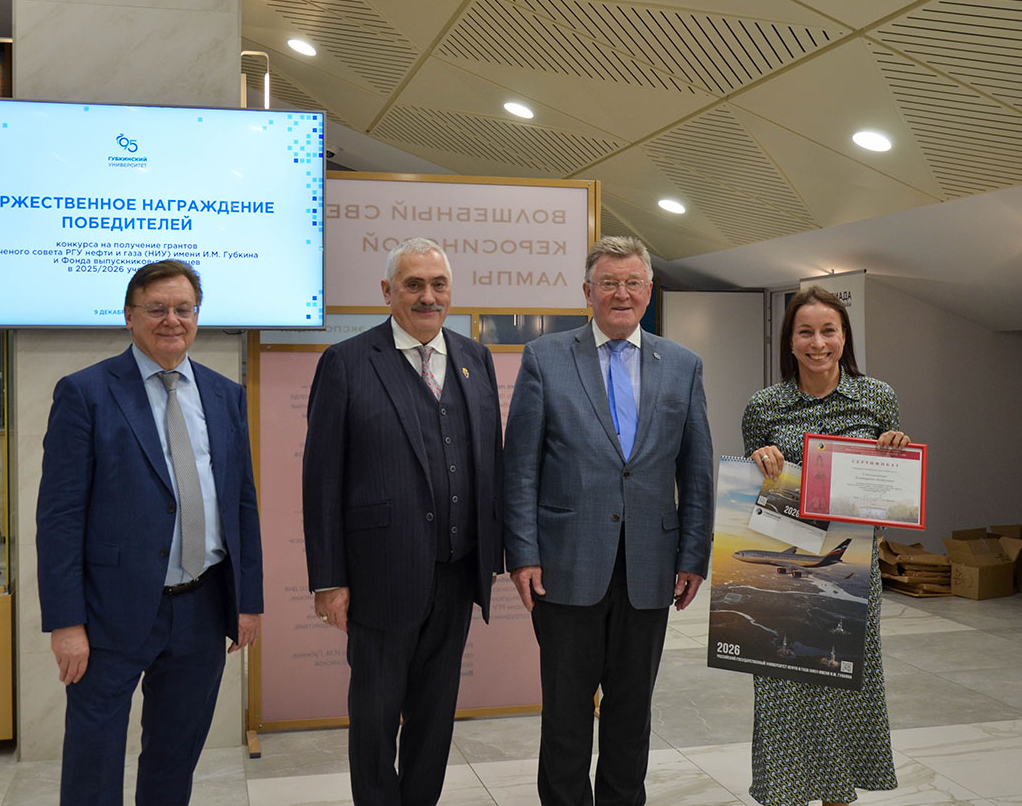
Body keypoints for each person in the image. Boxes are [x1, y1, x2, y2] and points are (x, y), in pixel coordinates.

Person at [37, 260, 262, 806]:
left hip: (202, 606)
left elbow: (241, 503)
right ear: (129, 316)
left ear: (197, 316)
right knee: (93, 760)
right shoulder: (86, 393)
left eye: (183, 309)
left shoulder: (225, 394)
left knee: (174, 757)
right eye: (157, 309)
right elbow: (59, 516)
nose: (171, 320)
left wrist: (247, 600)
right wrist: (66, 622)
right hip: (109, 613)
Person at [503, 235, 714, 806]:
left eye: (632, 283)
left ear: (649, 290)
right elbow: (519, 468)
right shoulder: (545, 357)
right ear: (587, 291)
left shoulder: (682, 366)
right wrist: (522, 553)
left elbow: (696, 472)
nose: (621, 293)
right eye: (609, 283)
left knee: (632, 711)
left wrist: (694, 556)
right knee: (566, 711)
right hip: (565, 565)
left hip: (651, 567)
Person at [302, 238, 503, 806]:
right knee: (374, 719)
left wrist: (498, 554)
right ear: (387, 292)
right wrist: (328, 580)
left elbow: (491, 462)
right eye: (413, 285)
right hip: (379, 579)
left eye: (438, 285)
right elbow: (321, 480)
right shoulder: (346, 362)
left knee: (435, 718)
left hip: (457, 574)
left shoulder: (474, 358)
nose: (427, 296)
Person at [743, 285, 907, 806]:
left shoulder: (877, 398)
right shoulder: (764, 406)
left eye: (828, 331)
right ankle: (787, 792)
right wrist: (759, 459)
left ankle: (838, 795)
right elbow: (751, 493)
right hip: (783, 571)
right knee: (783, 678)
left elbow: (890, 491)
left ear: (844, 337)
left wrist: (894, 451)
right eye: (806, 332)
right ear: (789, 341)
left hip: (851, 571)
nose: (818, 343)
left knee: (842, 678)